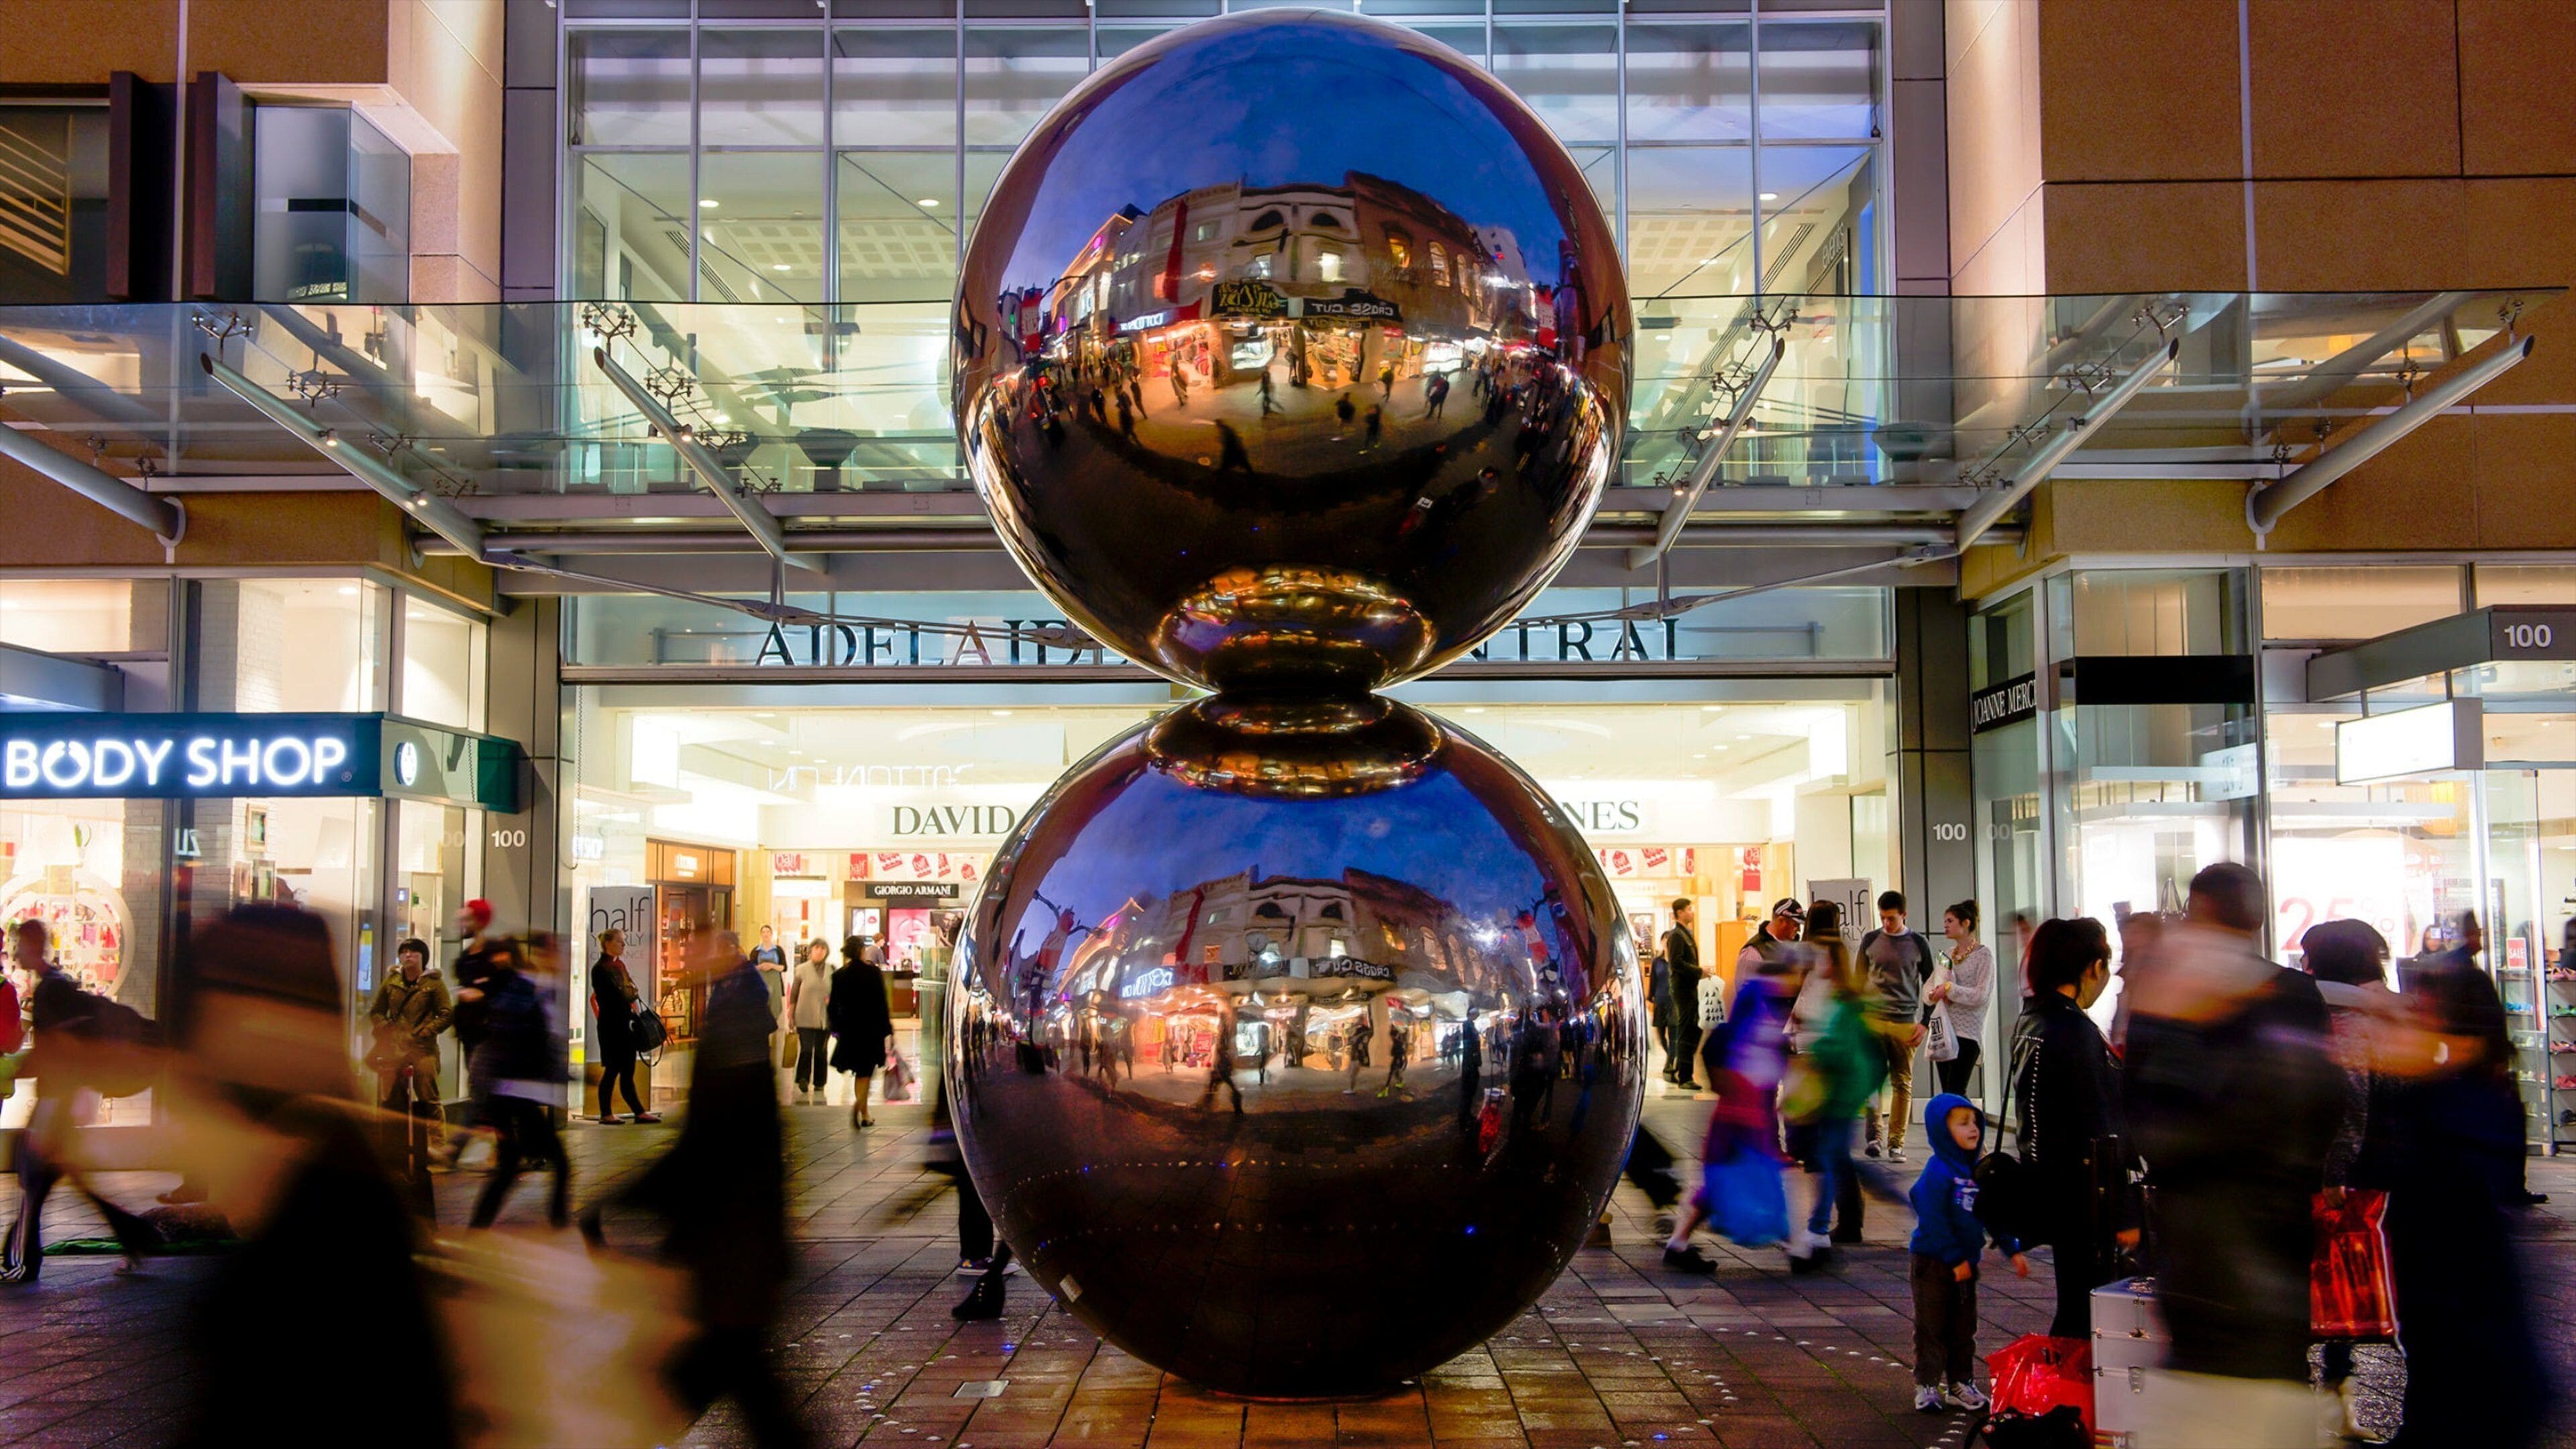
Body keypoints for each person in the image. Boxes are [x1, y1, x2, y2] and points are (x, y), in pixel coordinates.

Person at [164, 906, 459, 1448]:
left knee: (425, 1113)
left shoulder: (329, 1218)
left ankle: (435, 1140)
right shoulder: (328, 1180)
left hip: (415, 1059)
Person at [2120, 863, 2343, 1448]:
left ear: (2199, 914)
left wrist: (2170, 1018)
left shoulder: (2187, 1007)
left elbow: (2154, 1129)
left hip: (2226, 1285)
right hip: (2253, 1274)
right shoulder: (2291, 995)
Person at [580, 935, 808, 1448]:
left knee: (678, 1389)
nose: (686, 959)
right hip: (735, 1253)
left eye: (695, 949)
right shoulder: (735, 1027)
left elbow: (706, 1150)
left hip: (729, 1252)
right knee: (747, 1395)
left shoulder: (732, 1034)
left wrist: (617, 1201)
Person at [2375, 920, 2551, 1449]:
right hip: (2464, 1354)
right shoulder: (2451, 1098)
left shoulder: (2452, 1105)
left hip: (2474, 1363)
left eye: (2420, 1012)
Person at [1, 920, 155, 1280]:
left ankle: (23, 1262)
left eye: (19, 944)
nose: (15, 951)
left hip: (55, 1104)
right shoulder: (56, 985)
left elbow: (56, 1052)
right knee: (59, 1184)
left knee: (35, 1184)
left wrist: (16, 1071)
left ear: (33, 945)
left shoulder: (50, 992)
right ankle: (137, 1236)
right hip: (60, 1103)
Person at [2011, 916, 2141, 1338]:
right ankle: (2063, 1396)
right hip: (2086, 1193)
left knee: (2075, 1304)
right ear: (2092, 968)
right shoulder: (2075, 1032)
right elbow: (2102, 1125)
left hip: (2054, 1184)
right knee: (2086, 1311)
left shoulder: (2033, 1019)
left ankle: (2060, 1393)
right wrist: (2125, 1210)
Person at [2299, 918, 2402, 1443]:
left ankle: (2333, 1398)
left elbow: (2351, 1102)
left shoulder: (2338, 1014)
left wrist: (2334, 1171)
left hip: (2353, 1172)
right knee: (2341, 1290)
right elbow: (2355, 1101)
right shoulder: (2363, 1013)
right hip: (2366, 1173)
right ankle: (2335, 1398)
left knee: (2334, 1289)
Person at [2410, 911, 2544, 1205]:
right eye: (2476, 932)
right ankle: (2505, 1187)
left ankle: (2497, 1186)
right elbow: (2482, 1020)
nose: (2480, 937)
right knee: (2499, 1125)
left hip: (2466, 1061)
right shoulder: (2465, 974)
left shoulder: (2452, 971)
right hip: (2475, 1062)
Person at [1908, 1093, 2027, 1413]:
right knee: (1932, 1326)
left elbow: (1992, 1213)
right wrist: (1953, 1258)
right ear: (1941, 1131)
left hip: (1965, 1264)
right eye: (1962, 1123)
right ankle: (1928, 1384)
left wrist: (2012, 1249)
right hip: (1933, 1262)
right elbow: (1932, 1216)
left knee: (1963, 1327)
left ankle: (1961, 1382)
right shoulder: (1938, 1171)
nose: (1973, 1128)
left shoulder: (1979, 1170)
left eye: (1974, 1121)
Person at [1787, 914, 1882, 1270]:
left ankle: (1818, 1232)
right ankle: (1820, 1232)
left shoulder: (1845, 1001)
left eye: (1823, 957)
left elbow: (1841, 1048)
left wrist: (1814, 1049)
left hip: (1839, 1095)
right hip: (1833, 1093)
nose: (1817, 962)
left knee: (1829, 1160)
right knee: (1832, 1159)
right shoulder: (1831, 993)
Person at [462, 935, 572, 1230]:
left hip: (514, 1090)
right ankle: (560, 1223)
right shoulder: (527, 988)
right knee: (555, 1163)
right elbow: (529, 1039)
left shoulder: (533, 987)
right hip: (515, 1090)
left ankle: (479, 1225)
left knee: (511, 1166)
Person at [1858, 890, 1934, 1162]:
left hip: (1905, 1022)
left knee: (1902, 1082)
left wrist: (1925, 1022)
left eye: (1891, 918)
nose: (1887, 924)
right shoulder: (1870, 940)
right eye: (1883, 918)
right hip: (1873, 1020)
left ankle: (1896, 1143)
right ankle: (1874, 1137)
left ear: (1904, 914)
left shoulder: (1918, 943)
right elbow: (1858, 980)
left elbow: (1931, 984)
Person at [368, 936, 451, 1116]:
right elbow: (376, 1011)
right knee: (392, 1098)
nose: (408, 956)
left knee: (429, 1098)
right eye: (404, 952)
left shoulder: (434, 983)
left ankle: (436, 1141)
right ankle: (396, 1140)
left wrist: (427, 1030)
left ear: (423, 956)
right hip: (395, 1048)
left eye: (413, 952)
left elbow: (447, 1014)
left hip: (423, 1049)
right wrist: (385, 1027)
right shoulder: (392, 982)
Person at [591, 928, 658, 1124]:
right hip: (611, 1026)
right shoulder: (601, 968)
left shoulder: (619, 966)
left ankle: (638, 1111)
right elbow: (614, 996)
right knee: (613, 1068)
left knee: (628, 1069)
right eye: (620, 941)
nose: (623, 945)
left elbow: (629, 992)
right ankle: (606, 1113)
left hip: (624, 1024)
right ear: (608, 943)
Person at [1926, 900, 1992, 1098]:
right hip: (1944, 1029)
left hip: (1968, 1031)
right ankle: (1950, 1129)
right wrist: (1933, 993)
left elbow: (1981, 995)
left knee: (1956, 1088)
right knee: (1947, 1091)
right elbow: (1928, 986)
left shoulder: (1984, 955)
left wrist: (1948, 989)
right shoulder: (1946, 955)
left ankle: (1967, 1128)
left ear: (1966, 923)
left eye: (1950, 921)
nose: (1945, 925)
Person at [828, 937, 892, 1127]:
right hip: (871, 1030)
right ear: (862, 951)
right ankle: (861, 1108)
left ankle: (864, 1111)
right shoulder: (873, 973)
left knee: (859, 1072)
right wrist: (887, 1028)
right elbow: (881, 1003)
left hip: (850, 1031)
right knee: (866, 1072)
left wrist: (837, 1028)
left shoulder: (839, 975)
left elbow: (833, 1006)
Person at [785, 939, 835, 1102]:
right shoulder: (802, 970)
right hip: (804, 1016)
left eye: (822, 948)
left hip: (823, 1018)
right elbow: (794, 995)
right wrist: (791, 1015)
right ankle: (803, 1079)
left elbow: (836, 993)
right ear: (811, 950)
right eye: (816, 948)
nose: (819, 951)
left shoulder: (831, 970)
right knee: (806, 1049)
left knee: (821, 1051)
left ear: (826, 951)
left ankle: (820, 1081)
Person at [1664, 899, 1705, 1091]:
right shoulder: (1677, 936)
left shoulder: (1685, 934)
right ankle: (1684, 1076)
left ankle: (1681, 1069)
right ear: (1680, 913)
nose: (1692, 912)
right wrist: (1699, 971)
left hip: (1689, 988)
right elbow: (1676, 963)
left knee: (1694, 1029)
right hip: (1683, 988)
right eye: (1689, 909)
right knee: (1687, 1030)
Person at [1199, 1008, 1244, 1114]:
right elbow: (1222, 1052)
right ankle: (1208, 1104)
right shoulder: (1223, 1041)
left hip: (1221, 1068)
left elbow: (1221, 1051)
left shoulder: (1223, 1041)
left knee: (1214, 1086)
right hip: (1221, 1068)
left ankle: (1207, 1105)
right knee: (1216, 1086)